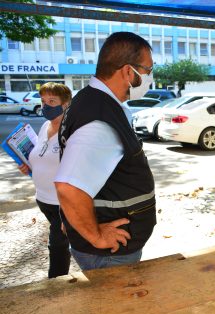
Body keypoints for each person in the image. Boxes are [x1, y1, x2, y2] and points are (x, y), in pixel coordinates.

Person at [54, 32, 156, 270]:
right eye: (148, 71)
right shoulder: (100, 120)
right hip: (109, 254)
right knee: (115, 308)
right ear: (128, 72)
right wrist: (95, 235)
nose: (150, 77)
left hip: (110, 251)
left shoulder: (92, 101)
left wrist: (72, 219)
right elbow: (68, 187)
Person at [17, 82, 72, 278]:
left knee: (57, 243)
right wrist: (29, 167)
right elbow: (40, 156)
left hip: (61, 202)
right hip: (44, 199)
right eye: (43, 101)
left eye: (52, 101)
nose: (46, 106)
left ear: (65, 104)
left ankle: (56, 283)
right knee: (60, 239)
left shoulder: (70, 131)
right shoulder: (45, 126)